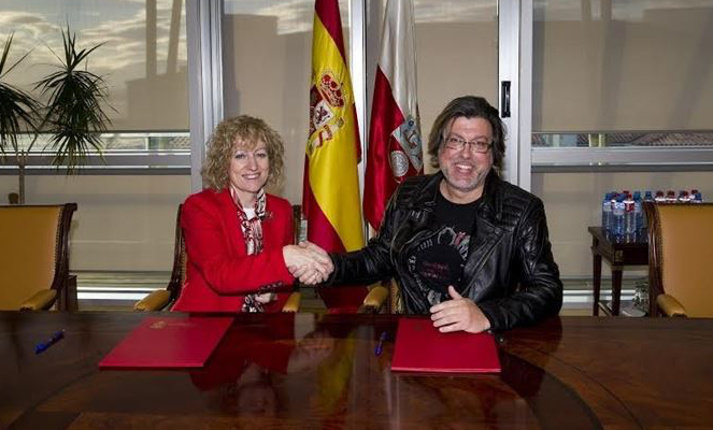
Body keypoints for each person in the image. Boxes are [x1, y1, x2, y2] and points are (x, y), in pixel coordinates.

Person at [302, 96, 562, 332]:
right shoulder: (410, 194)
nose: (465, 154)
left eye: (479, 144)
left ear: (494, 155)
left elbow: (547, 290)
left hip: (484, 340)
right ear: (439, 148)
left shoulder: (522, 209)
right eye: (455, 141)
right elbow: (380, 257)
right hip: (416, 335)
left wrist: (486, 315)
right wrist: (331, 265)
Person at [172, 115, 332, 313]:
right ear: (224, 163)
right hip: (206, 323)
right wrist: (287, 256)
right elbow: (220, 275)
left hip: (264, 328)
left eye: (260, 154)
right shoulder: (199, 207)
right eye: (240, 156)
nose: (253, 166)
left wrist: (275, 292)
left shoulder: (281, 210)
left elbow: (285, 284)